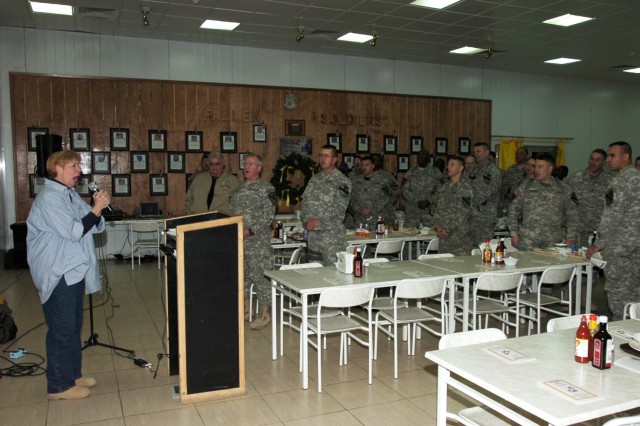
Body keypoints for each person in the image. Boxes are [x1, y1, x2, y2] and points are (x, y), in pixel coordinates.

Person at [26, 150, 110, 400]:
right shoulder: (49, 198)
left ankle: (72, 374)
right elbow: (74, 232)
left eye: (79, 166)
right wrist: (96, 208)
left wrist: (98, 208)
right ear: (58, 169)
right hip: (58, 270)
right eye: (74, 166)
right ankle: (59, 386)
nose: (79, 171)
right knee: (62, 328)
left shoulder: (69, 194)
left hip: (72, 270)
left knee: (73, 326)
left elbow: (92, 224)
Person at [587, 141, 640, 320]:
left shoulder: (621, 180)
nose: (608, 160)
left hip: (620, 246)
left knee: (618, 291)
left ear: (626, 157)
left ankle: (621, 333)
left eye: (612, 155)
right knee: (634, 289)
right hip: (635, 245)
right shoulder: (638, 177)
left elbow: (613, 214)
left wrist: (598, 244)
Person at [229, 154, 277, 330]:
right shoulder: (238, 190)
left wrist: (250, 230)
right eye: (245, 164)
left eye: (251, 164)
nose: (246, 167)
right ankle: (245, 310)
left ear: (259, 168)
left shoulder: (267, 189)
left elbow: (268, 215)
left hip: (258, 242)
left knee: (260, 277)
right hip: (240, 241)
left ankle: (265, 314)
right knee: (242, 277)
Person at [508, 153, 578, 250]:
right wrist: (514, 234)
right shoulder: (526, 186)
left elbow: (572, 215)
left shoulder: (563, 189)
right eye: (535, 166)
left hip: (553, 241)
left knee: (553, 265)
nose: (536, 170)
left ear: (550, 168)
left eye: (540, 167)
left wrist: (570, 237)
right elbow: (513, 211)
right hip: (528, 241)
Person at [301, 145, 351, 265]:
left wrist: (319, 222)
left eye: (326, 156)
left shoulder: (342, 181)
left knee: (334, 275)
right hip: (313, 237)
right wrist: (306, 221)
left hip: (331, 238)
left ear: (334, 160)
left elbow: (339, 210)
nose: (322, 159)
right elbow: (305, 202)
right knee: (315, 275)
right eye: (321, 155)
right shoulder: (314, 180)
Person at [564, 149, 611, 246]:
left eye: (597, 160)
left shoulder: (610, 181)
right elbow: (568, 204)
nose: (593, 162)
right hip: (577, 232)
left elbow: (611, 208)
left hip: (599, 234)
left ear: (604, 162)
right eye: (591, 159)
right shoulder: (576, 177)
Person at [432, 156, 474, 256]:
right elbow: (437, 208)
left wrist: (448, 229)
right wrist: (438, 227)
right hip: (443, 238)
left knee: (460, 269)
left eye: (452, 165)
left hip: (459, 238)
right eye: (448, 165)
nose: (448, 167)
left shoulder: (465, 187)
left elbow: (463, 213)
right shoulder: (445, 186)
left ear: (461, 168)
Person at [348, 156, 399, 229]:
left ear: (373, 166)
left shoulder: (382, 181)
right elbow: (351, 199)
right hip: (360, 220)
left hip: (377, 220)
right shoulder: (355, 181)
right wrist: (360, 210)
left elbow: (386, 198)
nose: (364, 167)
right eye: (362, 165)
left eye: (367, 165)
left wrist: (371, 210)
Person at [468, 142, 502, 243]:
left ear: (487, 152)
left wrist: (469, 201)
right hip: (471, 216)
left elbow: (488, 193)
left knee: (483, 248)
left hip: (484, 217)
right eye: (474, 152)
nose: (476, 154)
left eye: (478, 151)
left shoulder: (493, 171)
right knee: (471, 248)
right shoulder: (475, 170)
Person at [401, 149, 441, 228]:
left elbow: (441, 190)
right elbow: (404, 189)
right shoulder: (411, 172)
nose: (421, 158)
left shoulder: (436, 172)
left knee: (432, 236)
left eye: (423, 155)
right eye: (419, 156)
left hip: (430, 211)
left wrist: (429, 201)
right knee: (409, 236)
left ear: (428, 158)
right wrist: (417, 201)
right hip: (413, 211)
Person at [498, 147, 529, 216]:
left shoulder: (529, 169)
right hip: (511, 203)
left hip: (525, 204)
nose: (518, 156)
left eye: (521, 154)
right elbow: (504, 187)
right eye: (517, 154)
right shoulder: (511, 169)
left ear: (526, 155)